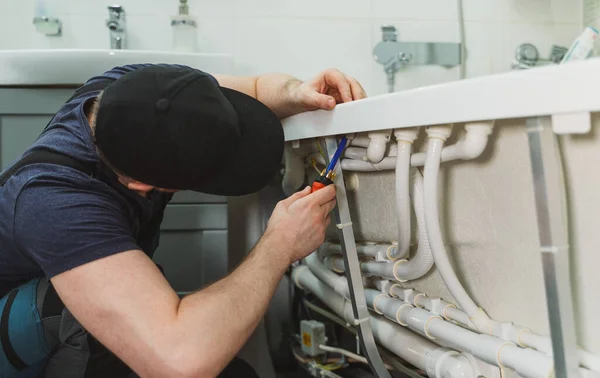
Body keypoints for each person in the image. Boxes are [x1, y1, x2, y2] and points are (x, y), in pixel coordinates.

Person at [0, 64, 366, 378]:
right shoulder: (58, 202)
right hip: (18, 334)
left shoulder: (144, 91)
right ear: (141, 184)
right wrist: (279, 246)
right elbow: (178, 363)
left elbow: (254, 88)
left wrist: (297, 91)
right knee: (75, 313)